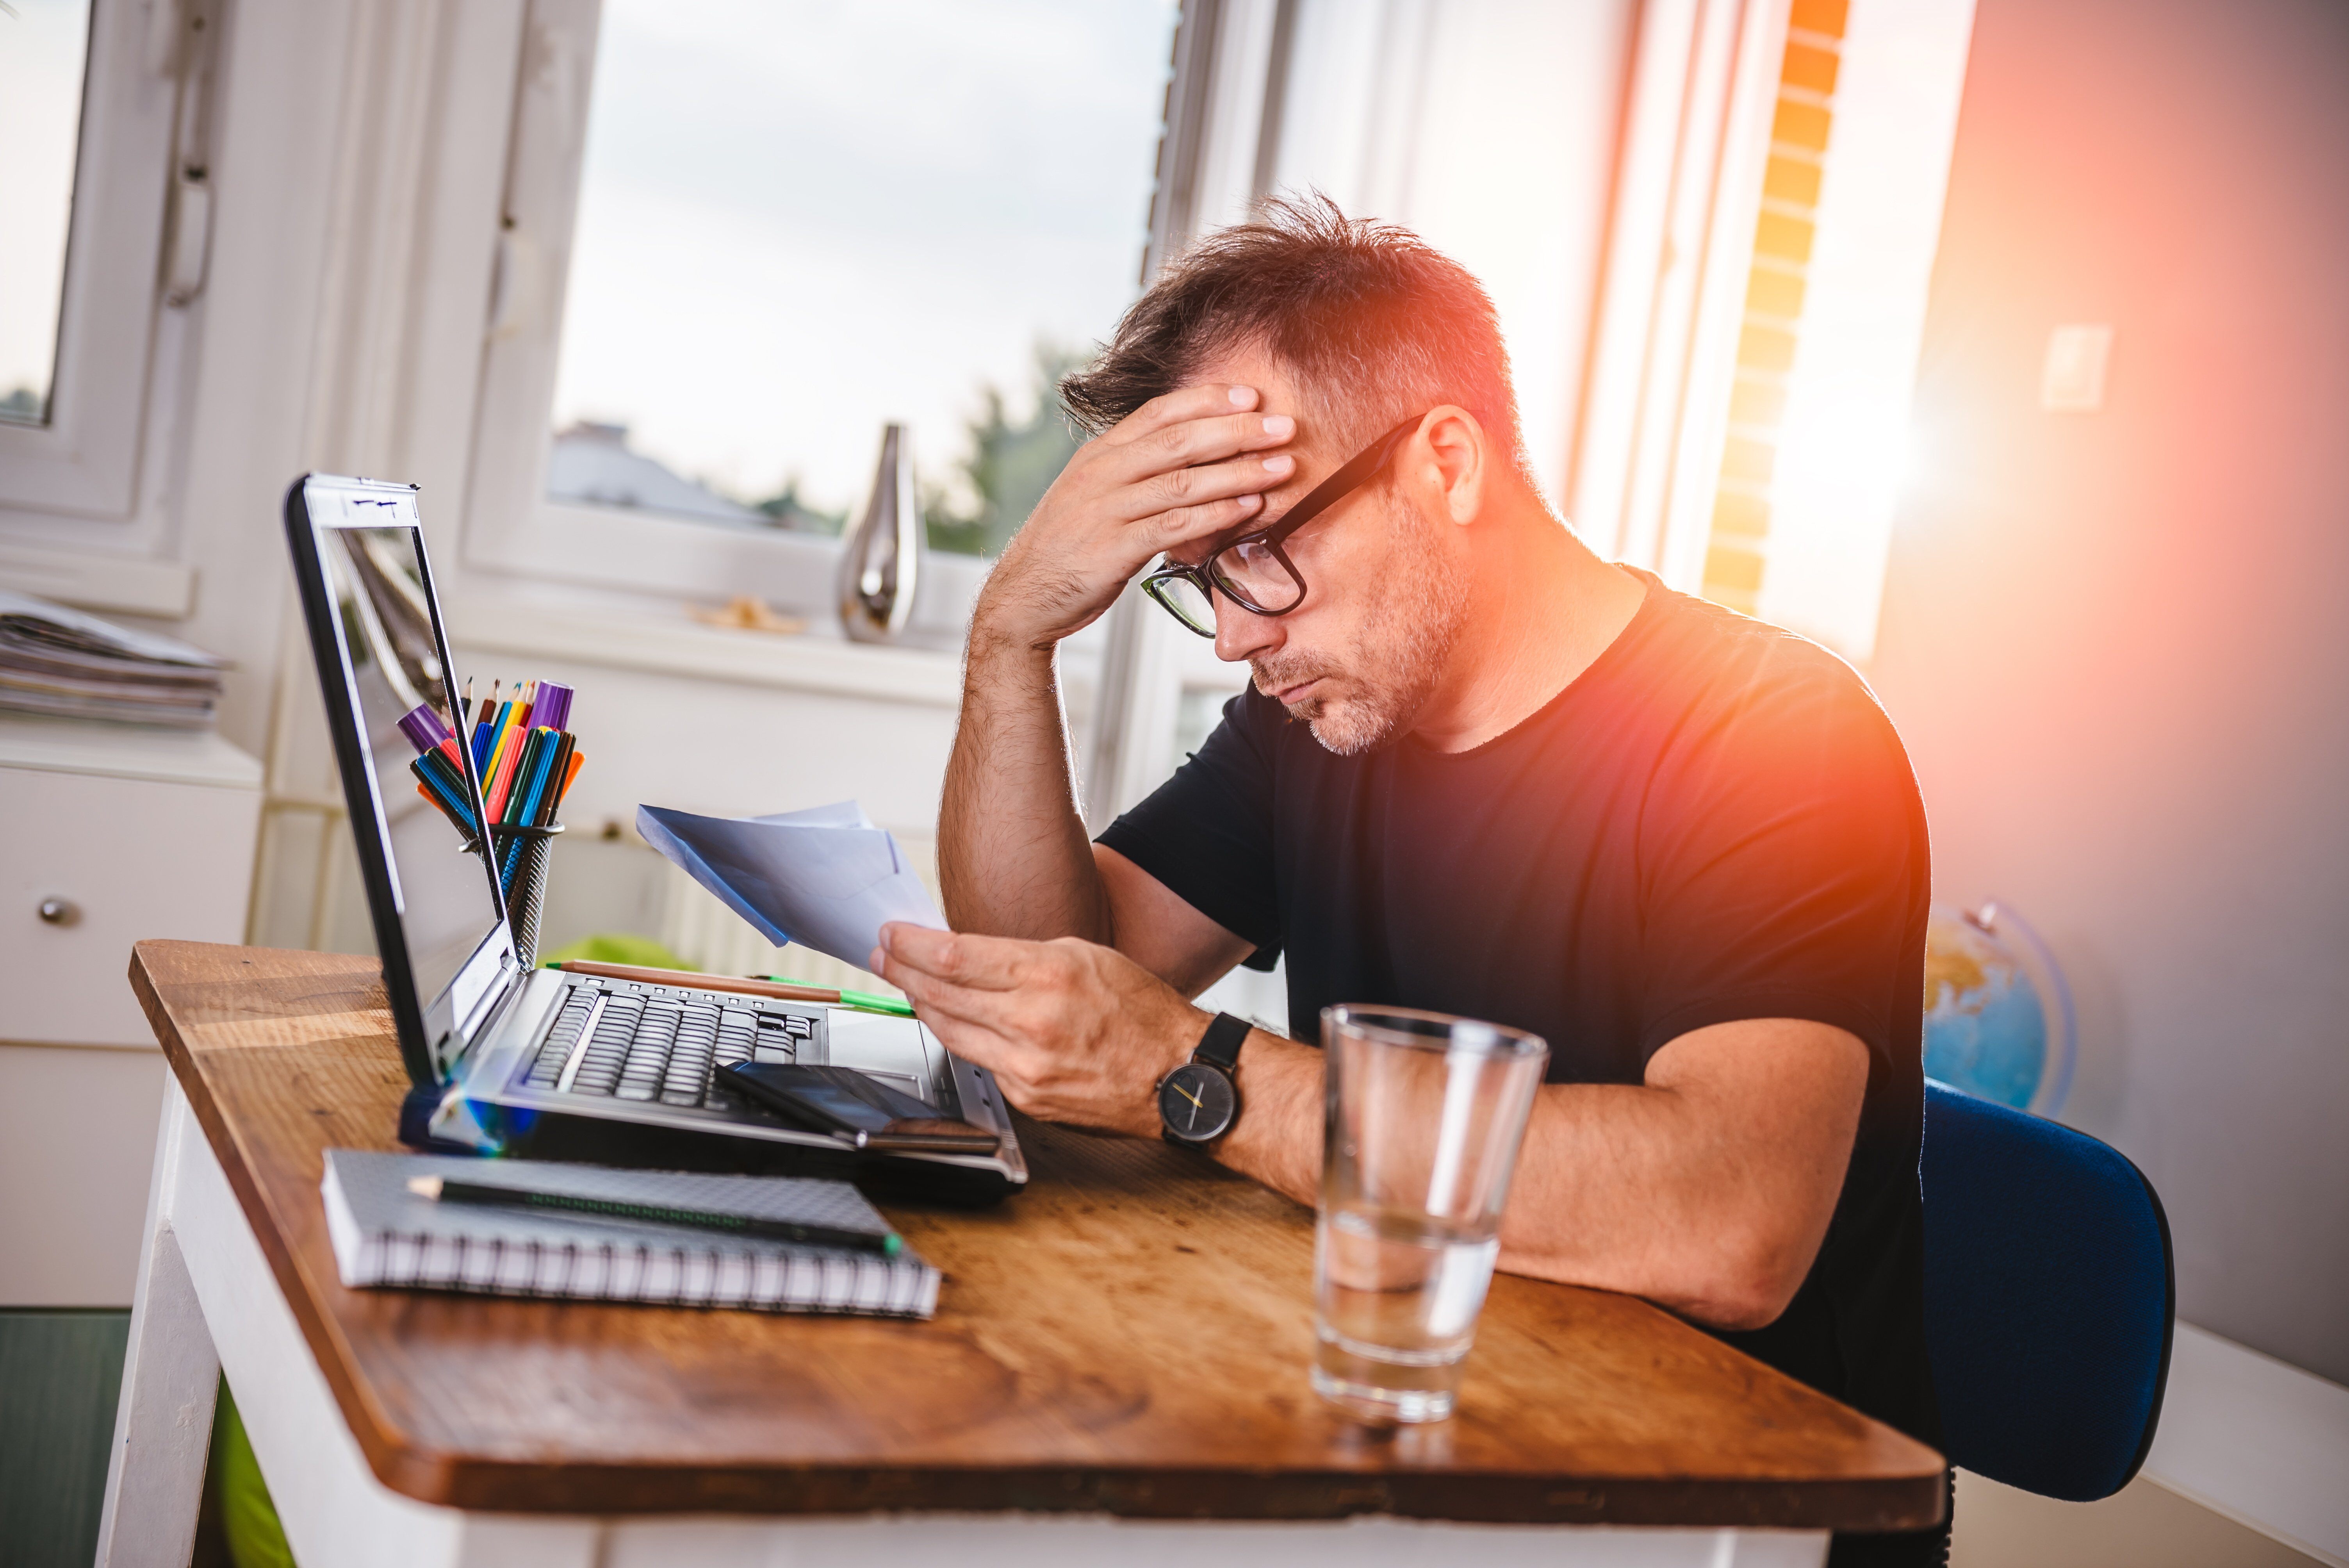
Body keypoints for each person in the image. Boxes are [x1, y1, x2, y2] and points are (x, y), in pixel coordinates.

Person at [869, 198, 1944, 1564]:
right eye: (1200, 580)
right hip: (1420, 1438)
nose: (1233, 638)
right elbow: (1062, 984)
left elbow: (1723, 1222)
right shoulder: (1318, 718)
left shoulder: (1777, 737)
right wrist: (1010, 633)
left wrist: (1200, 1077)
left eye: (1262, 553)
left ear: (1445, 461)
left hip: (1719, 1511)